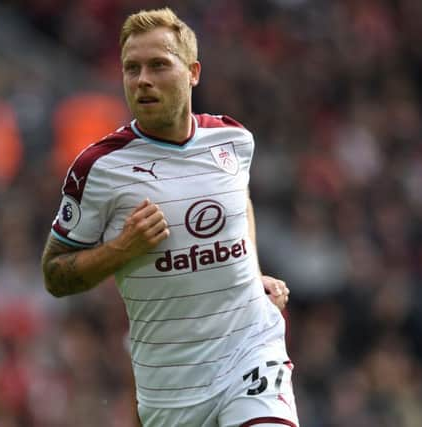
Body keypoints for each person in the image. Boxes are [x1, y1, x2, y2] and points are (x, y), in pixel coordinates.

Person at [42, 7, 299, 427]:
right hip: (171, 388)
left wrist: (251, 274)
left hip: (251, 354)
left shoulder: (233, 140)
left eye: (158, 65)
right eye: (132, 68)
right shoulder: (100, 167)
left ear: (193, 72)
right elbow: (55, 274)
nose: (143, 79)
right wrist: (122, 248)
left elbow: (239, 201)